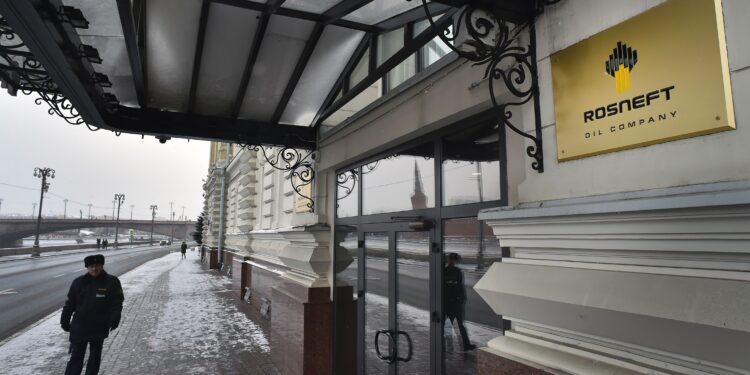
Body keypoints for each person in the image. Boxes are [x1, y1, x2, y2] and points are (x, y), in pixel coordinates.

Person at [61, 254, 124, 375]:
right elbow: (70, 304)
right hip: (79, 326)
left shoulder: (112, 282)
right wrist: (65, 320)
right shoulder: (78, 282)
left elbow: (117, 303)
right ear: (87, 267)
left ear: (102, 266)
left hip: (99, 326)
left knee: (94, 358)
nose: (94, 269)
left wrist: (115, 318)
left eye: (97, 266)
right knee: (76, 357)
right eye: (91, 266)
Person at [443, 252, 476, 351]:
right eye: (452, 260)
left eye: (453, 260)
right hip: (453, 302)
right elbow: (460, 286)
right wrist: (462, 299)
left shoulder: (447, 271)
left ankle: (460, 345)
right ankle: (456, 346)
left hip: (453, 302)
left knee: (455, 325)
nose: (453, 262)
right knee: (454, 325)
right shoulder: (452, 271)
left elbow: (460, 286)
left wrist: (462, 299)